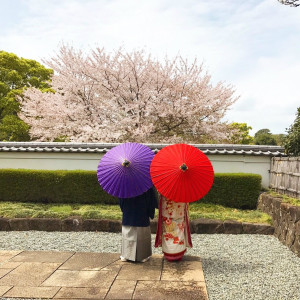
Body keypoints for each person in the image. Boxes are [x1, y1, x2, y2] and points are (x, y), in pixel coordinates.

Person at [119, 186, 158, 262]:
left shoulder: (124, 183)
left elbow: (121, 199)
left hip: (128, 213)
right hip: (142, 213)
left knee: (128, 234)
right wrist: (150, 212)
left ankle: (126, 255)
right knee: (142, 235)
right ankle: (142, 256)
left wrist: (124, 208)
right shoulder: (146, 183)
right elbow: (151, 200)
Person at [155, 194, 192, 261]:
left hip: (167, 212)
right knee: (179, 231)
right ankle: (178, 253)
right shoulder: (183, 187)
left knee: (168, 232)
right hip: (179, 211)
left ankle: (168, 252)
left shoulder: (164, 185)